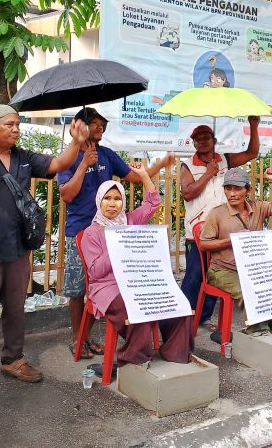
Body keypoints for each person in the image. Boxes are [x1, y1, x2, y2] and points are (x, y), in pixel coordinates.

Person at [0, 104, 88, 405]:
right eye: (9, 124)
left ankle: (13, 358)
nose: (15, 129)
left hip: (18, 249)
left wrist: (76, 141)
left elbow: (59, 164)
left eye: (17, 124)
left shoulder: (24, 157)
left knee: (15, 308)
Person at [57, 107, 174, 359]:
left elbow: (133, 177)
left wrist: (160, 164)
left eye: (103, 125)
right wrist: (83, 165)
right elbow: (66, 195)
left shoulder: (107, 155)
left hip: (111, 232)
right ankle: (79, 339)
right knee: (79, 289)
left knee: (110, 285)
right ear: (79, 125)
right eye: (96, 123)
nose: (101, 128)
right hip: (80, 231)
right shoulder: (68, 158)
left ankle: (95, 338)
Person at [80, 163, 192, 368]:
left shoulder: (130, 221)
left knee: (176, 302)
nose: (112, 204)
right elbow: (95, 272)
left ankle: (174, 352)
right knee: (136, 306)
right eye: (107, 198)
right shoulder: (91, 233)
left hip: (136, 280)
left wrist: (143, 175)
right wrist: (116, 244)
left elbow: (153, 204)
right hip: (108, 287)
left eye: (117, 199)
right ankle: (135, 358)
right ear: (99, 201)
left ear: (123, 203)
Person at [179, 119, 260, 330]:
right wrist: (208, 174)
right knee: (195, 276)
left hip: (222, 228)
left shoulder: (224, 160)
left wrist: (253, 126)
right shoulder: (187, 165)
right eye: (198, 139)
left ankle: (204, 317)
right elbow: (188, 194)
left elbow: (251, 153)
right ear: (194, 144)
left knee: (217, 273)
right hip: (196, 231)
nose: (202, 142)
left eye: (206, 138)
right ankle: (184, 319)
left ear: (214, 141)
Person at [199, 167, 272, 336]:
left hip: (252, 269)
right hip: (222, 270)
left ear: (248, 190)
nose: (232, 194)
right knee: (249, 290)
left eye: (237, 188)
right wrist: (230, 241)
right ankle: (258, 331)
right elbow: (204, 244)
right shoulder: (217, 213)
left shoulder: (258, 207)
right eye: (228, 188)